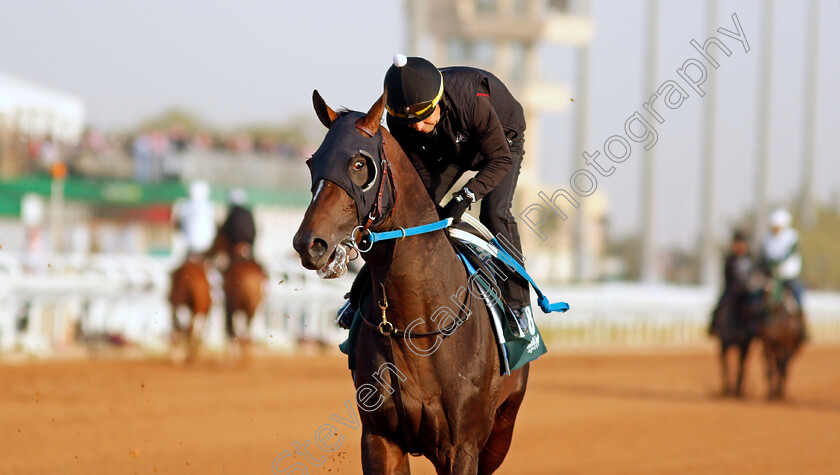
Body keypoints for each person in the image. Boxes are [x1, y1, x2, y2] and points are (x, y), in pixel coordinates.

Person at [338, 54, 534, 336]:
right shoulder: (403, 120)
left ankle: (519, 306)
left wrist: (466, 196)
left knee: (495, 212)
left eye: (422, 117)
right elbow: (414, 167)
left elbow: (500, 160)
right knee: (407, 216)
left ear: (438, 100)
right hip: (448, 146)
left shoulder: (473, 100)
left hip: (500, 143)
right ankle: (359, 296)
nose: (417, 127)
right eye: (410, 121)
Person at [708, 230, 755, 336]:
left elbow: (754, 274)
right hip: (732, 290)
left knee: (756, 307)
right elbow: (726, 276)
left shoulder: (750, 258)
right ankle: (713, 327)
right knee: (720, 305)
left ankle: (755, 330)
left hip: (747, 292)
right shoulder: (730, 259)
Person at [759, 208, 803, 307]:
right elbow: (764, 255)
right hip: (772, 274)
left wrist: (778, 262)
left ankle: (801, 313)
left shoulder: (792, 236)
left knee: (797, 291)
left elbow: (790, 253)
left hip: (788, 275)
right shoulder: (767, 237)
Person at [206, 188, 257, 260]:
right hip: (248, 247)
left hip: (234, 247)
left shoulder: (233, 214)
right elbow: (253, 231)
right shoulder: (248, 213)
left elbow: (226, 231)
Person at [174, 180, 215, 259]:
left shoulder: (183, 205)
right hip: (207, 245)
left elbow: (176, 224)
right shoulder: (210, 206)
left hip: (188, 245)